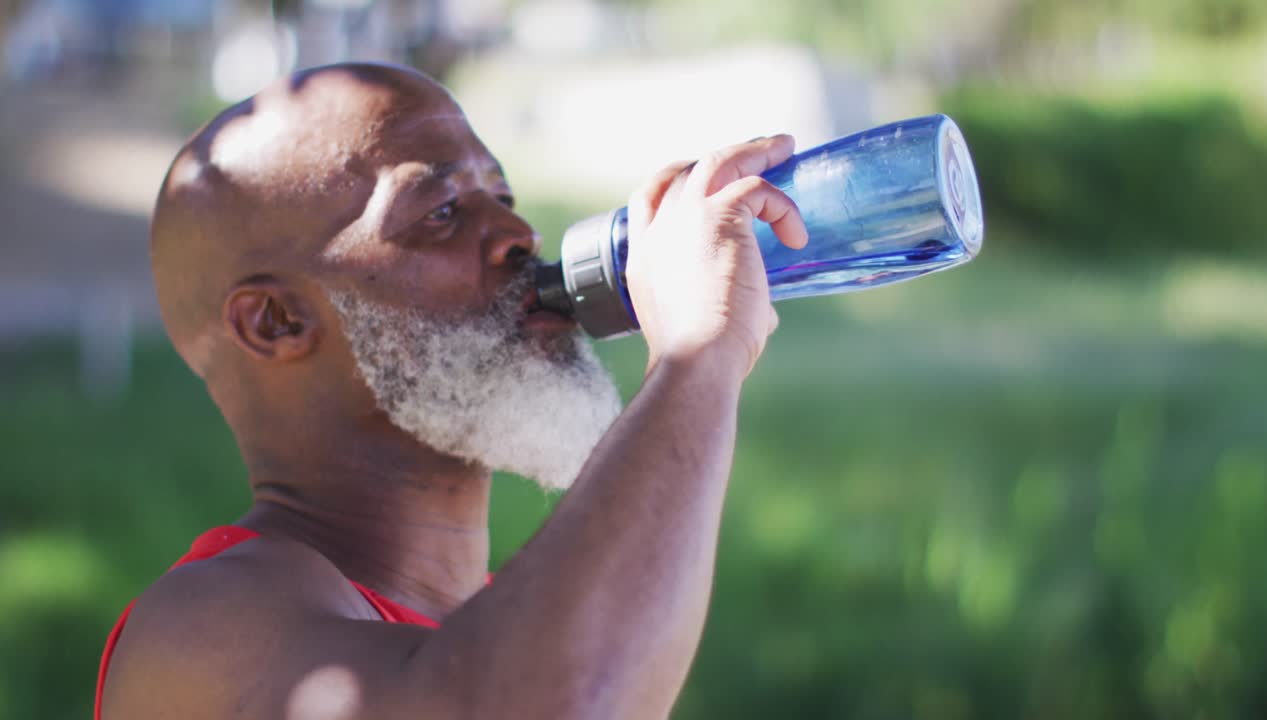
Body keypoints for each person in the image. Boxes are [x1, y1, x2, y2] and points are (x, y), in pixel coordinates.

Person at [96, 61, 808, 719]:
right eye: (439, 212)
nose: (520, 235)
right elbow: (565, 702)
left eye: (502, 195)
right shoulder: (203, 625)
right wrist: (699, 351)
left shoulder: (516, 618)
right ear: (277, 321)